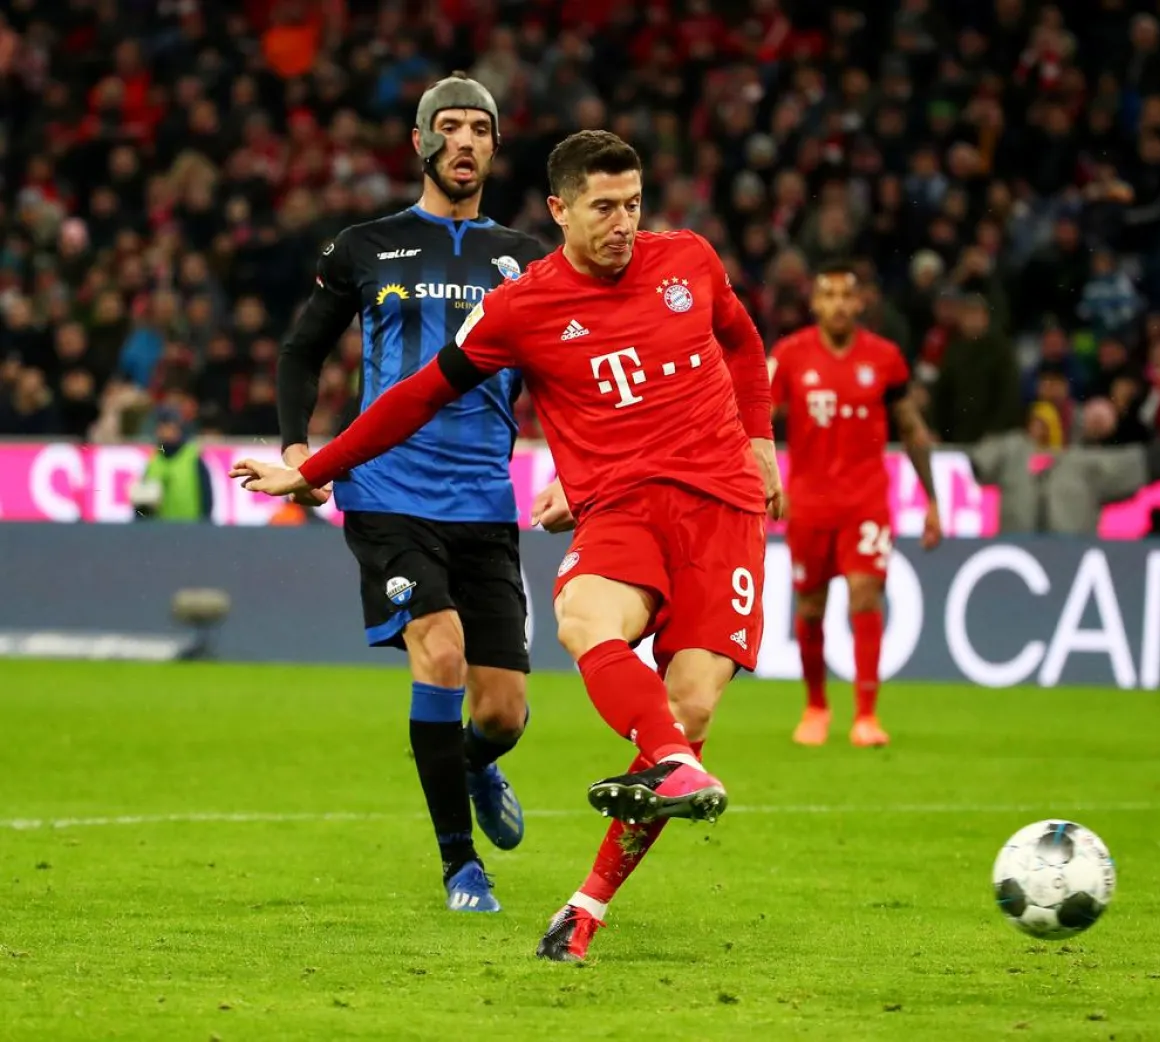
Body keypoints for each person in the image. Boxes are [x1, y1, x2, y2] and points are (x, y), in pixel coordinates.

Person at [233, 129, 783, 962]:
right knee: (582, 617)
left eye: (634, 205)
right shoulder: (524, 305)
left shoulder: (690, 261)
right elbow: (418, 395)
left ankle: (586, 907)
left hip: (723, 507)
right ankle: (665, 761)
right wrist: (313, 467)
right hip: (623, 506)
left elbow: (741, 340)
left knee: (690, 710)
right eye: (604, 208)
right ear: (560, 209)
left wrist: (761, 439)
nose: (624, 225)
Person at [273, 72, 548, 914]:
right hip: (387, 492)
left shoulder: (530, 261)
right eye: (450, 127)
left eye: (481, 129)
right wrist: (299, 452)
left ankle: (474, 763)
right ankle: (461, 867)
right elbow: (301, 351)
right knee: (441, 652)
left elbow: (561, 379)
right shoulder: (365, 245)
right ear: (421, 142)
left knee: (502, 713)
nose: (465, 141)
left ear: (495, 148)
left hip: (485, 501)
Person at [768, 262, 942, 748]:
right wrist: (760, 477)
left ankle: (866, 715)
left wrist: (932, 500)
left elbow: (911, 428)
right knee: (810, 606)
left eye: (847, 296)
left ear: (860, 303)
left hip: (866, 502)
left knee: (865, 596)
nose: (839, 305)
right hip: (809, 504)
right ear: (815, 304)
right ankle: (816, 707)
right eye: (829, 296)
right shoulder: (791, 354)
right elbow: (758, 419)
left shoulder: (884, 358)